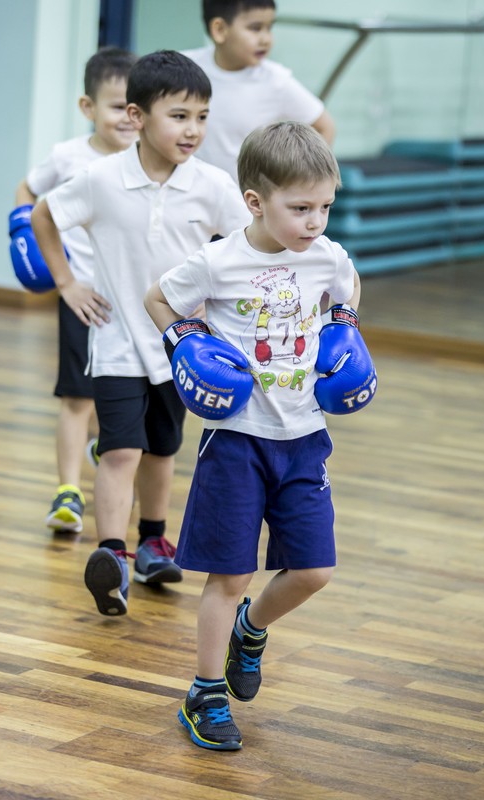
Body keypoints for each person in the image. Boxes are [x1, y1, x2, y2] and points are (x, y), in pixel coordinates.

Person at [144, 121, 365, 751]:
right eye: (301, 208)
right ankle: (204, 693)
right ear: (255, 202)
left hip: (304, 436)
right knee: (229, 574)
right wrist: (183, 340)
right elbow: (158, 299)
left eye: (325, 205)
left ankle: (252, 630)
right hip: (236, 439)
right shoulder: (219, 260)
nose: (316, 221)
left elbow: (347, 286)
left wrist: (345, 326)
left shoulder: (328, 255)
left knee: (314, 570)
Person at [31, 50, 251, 614]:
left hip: (180, 349)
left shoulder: (213, 186)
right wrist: (67, 283)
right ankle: (112, 555)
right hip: (117, 344)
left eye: (202, 116)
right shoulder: (101, 179)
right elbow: (43, 216)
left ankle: (154, 540)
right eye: (179, 116)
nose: (193, 129)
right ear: (138, 115)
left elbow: (245, 248)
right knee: (120, 451)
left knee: (161, 450)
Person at [12, 47, 138, 534]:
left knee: (119, 397)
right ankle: (67, 490)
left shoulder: (147, 160)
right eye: (115, 106)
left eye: (135, 108)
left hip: (133, 302)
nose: (127, 119)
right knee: (76, 398)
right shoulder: (68, 157)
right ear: (88, 107)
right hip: (81, 297)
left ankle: (105, 452)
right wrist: (22, 231)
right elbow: (27, 188)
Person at [183, 0, 336, 181]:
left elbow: (325, 127)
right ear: (219, 30)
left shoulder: (276, 80)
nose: (266, 39)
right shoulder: (185, 67)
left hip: (245, 203)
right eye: (255, 28)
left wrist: (292, 179)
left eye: (269, 28)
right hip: (192, 198)